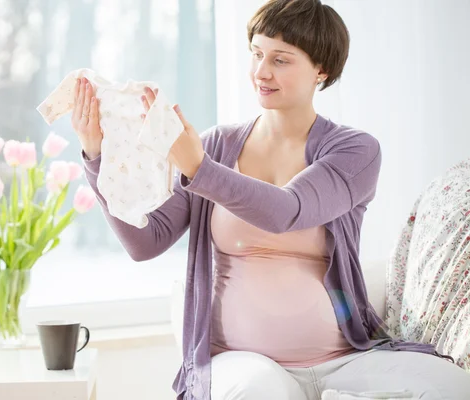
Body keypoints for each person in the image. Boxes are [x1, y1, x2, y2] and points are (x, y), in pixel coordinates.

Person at [72, 1, 470, 399]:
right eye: (257, 54)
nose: (261, 72)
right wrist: (96, 157)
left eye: (280, 59)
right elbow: (145, 242)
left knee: (451, 385)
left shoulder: (355, 151)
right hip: (243, 361)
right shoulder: (217, 146)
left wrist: (198, 166)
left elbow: (287, 211)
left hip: (344, 358)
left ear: (321, 70)